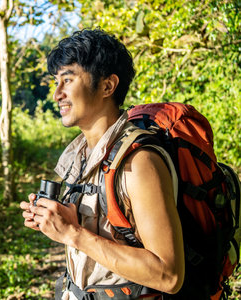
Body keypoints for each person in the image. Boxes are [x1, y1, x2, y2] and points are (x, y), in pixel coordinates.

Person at [20, 29, 185, 299]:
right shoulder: (82, 155)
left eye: (68, 80)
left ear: (108, 86)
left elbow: (169, 275)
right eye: (55, 82)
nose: (57, 94)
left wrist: (73, 234)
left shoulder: (139, 161)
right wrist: (58, 222)